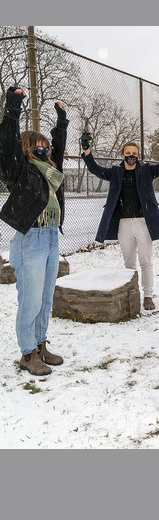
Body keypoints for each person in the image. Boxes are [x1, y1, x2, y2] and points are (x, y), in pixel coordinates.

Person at [0, 87, 68, 376]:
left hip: (51, 236)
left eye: (47, 146)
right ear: (27, 148)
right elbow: (7, 146)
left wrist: (62, 121)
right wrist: (13, 107)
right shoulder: (20, 170)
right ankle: (27, 353)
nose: (45, 149)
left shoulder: (51, 171)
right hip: (32, 239)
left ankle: (40, 345)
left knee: (45, 297)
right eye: (38, 146)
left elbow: (59, 148)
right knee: (30, 299)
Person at [81, 129, 159, 310]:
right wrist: (87, 150)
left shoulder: (147, 170)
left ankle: (148, 296)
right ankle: (130, 294)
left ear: (138, 155)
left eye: (134, 153)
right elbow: (95, 169)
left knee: (146, 261)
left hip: (143, 222)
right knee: (129, 262)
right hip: (124, 224)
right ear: (122, 155)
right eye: (128, 153)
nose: (131, 156)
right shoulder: (115, 172)